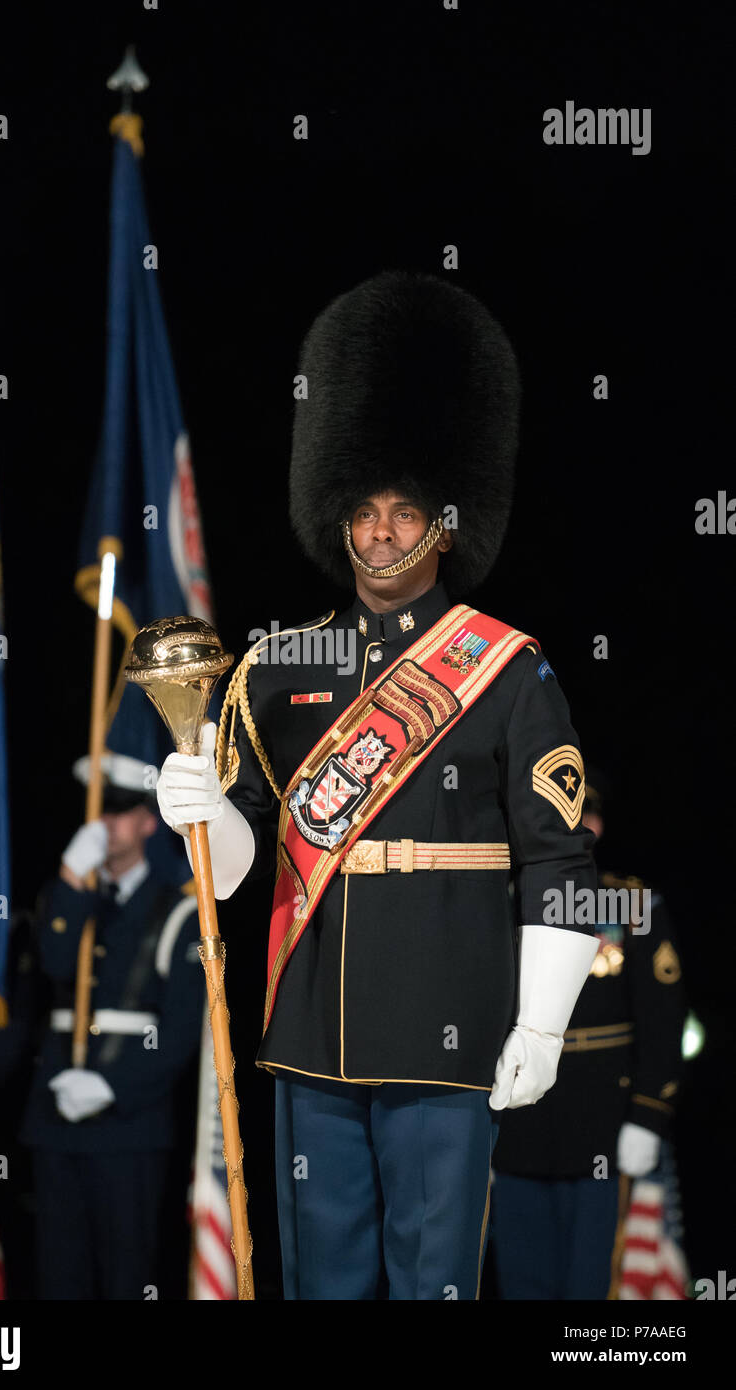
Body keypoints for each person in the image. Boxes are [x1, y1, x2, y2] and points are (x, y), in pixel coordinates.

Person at [156, 270, 600, 1300]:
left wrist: (539, 1026)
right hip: (311, 1037)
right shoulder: (276, 669)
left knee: (434, 1283)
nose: (385, 532)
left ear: (448, 522)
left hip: (454, 1034)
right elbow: (236, 872)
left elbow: (560, 862)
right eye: (365, 510)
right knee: (326, 1285)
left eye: (408, 512)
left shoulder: (508, 667)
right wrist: (206, 812)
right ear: (336, 514)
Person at [490, 775, 686, 1299]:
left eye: (585, 817)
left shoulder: (629, 904)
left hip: (604, 1124)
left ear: (597, 826)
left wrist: (648, 1114)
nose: (577, 828)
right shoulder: (501, 902)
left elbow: (664, 1018)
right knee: (521, 1281)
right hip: (517, 1131)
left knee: (593, 1286)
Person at [19, 751, 204, 1300]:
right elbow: (52, 963)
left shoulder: (178, 911)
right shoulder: (68, 898)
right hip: (55, 1114)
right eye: (99, 811)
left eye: (120, 811)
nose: (106, 824)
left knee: (128, 1276)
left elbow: (180, 1032)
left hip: (130, 1123)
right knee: (58, 1275)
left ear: (149, 821)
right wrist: (73, 881)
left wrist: (112, 1086)